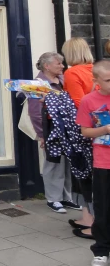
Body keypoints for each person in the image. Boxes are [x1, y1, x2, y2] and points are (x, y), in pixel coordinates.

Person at [29, 52, 81, 213]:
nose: (62, 66)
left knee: (66, 163)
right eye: (59, 63)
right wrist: (42, 134)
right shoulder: (37, 84)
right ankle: (53, 199)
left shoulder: (63, 81)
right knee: (53, 163)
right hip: (50, 128)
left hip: (66, 128)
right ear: (47, 66)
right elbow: (35, 112)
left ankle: (66, 197)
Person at [76, 59, 110, 266]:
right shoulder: (89, 101)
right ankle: (101, 251)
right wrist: (105, 129)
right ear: (96, 80)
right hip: (103, 162)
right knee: (103, 208)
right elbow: (85, 132)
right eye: (108, 80)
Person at [61, 38, 96, 236]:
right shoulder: (96, 70)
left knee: (83, 172)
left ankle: (91, 220)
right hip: (100, 128)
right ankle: (86, 216)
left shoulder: (72, 72)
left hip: (83, 129)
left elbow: (79, 102)